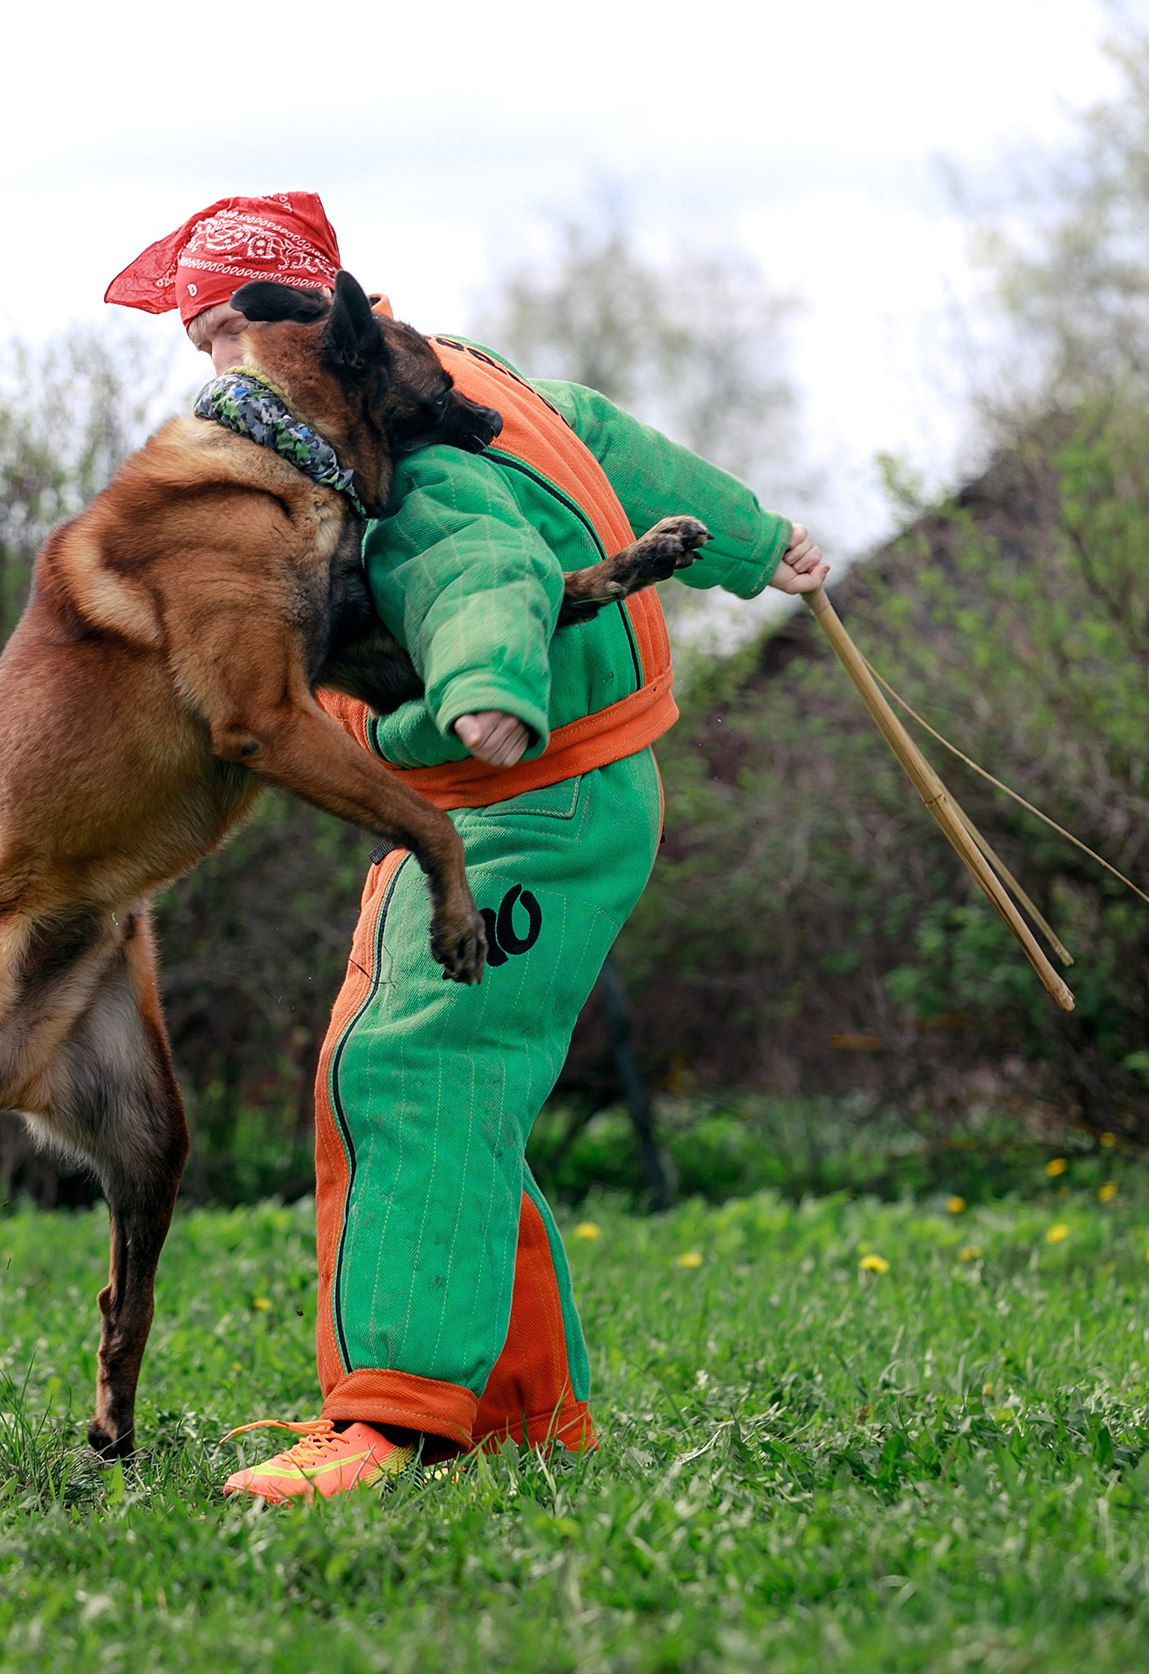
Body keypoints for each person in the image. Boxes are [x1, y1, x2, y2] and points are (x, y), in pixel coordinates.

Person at [104, 192, 829, 1501]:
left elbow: (478, 564)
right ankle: (520, 1411)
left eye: (220, 340)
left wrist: (488, 690)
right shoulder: (465, 376)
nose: (213, 375)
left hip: (533, 797)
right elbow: (609, 444)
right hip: (469, 813)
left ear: (296, 322)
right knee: (385, 1071)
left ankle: (399, 1418)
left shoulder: (411, 457)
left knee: (418, 1070)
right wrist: (754, 543)